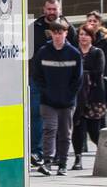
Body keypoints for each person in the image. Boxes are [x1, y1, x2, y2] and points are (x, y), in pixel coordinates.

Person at [34, 18, 82, 178]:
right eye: (55, 33)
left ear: (66, 33)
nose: (57, 36)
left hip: (67, 102)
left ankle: (62, 163)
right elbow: (37, 75)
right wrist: (45, 91)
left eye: (60, 32)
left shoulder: (74, 54)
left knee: (65, 133)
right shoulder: (43, 52)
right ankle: (47, 162)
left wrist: (69, 95)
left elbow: (78, 79)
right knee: (49, 129)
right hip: (48, 101)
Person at [28, 0, 60, 168]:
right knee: (36, 115)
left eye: (54, 9)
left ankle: (56, 154)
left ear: (59, 10)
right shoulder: (34, 27)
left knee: (58, 118)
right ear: (44, 9)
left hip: (58, 81)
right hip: (38, 79)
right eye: (49, 9)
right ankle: (36, 151)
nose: (51, 12)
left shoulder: (65, 27)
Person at [71, 26, 107, 171]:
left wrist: (82, 74)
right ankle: (78, 158)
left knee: (94, 131)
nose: (83, 37)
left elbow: (98, 72)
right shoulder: (74, 52)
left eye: (86, 35)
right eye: (81, 34)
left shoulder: (97, 53)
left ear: (92, 37)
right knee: (78, 128)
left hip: (94, 97)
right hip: (77, 96)